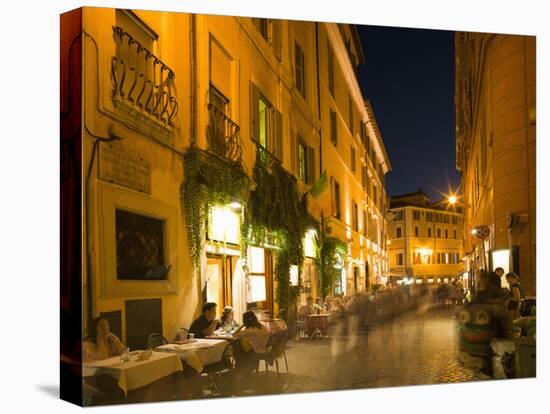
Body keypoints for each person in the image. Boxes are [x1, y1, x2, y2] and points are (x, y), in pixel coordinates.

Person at [232, 311, 271, 375]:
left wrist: (242, 325)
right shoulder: (261, 326)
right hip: (263, 349)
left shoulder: (249, 331)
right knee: (242, 344)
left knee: (236, 344)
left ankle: (241, 369)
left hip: (255, 352)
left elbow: (234, 334)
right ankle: (245, 368)